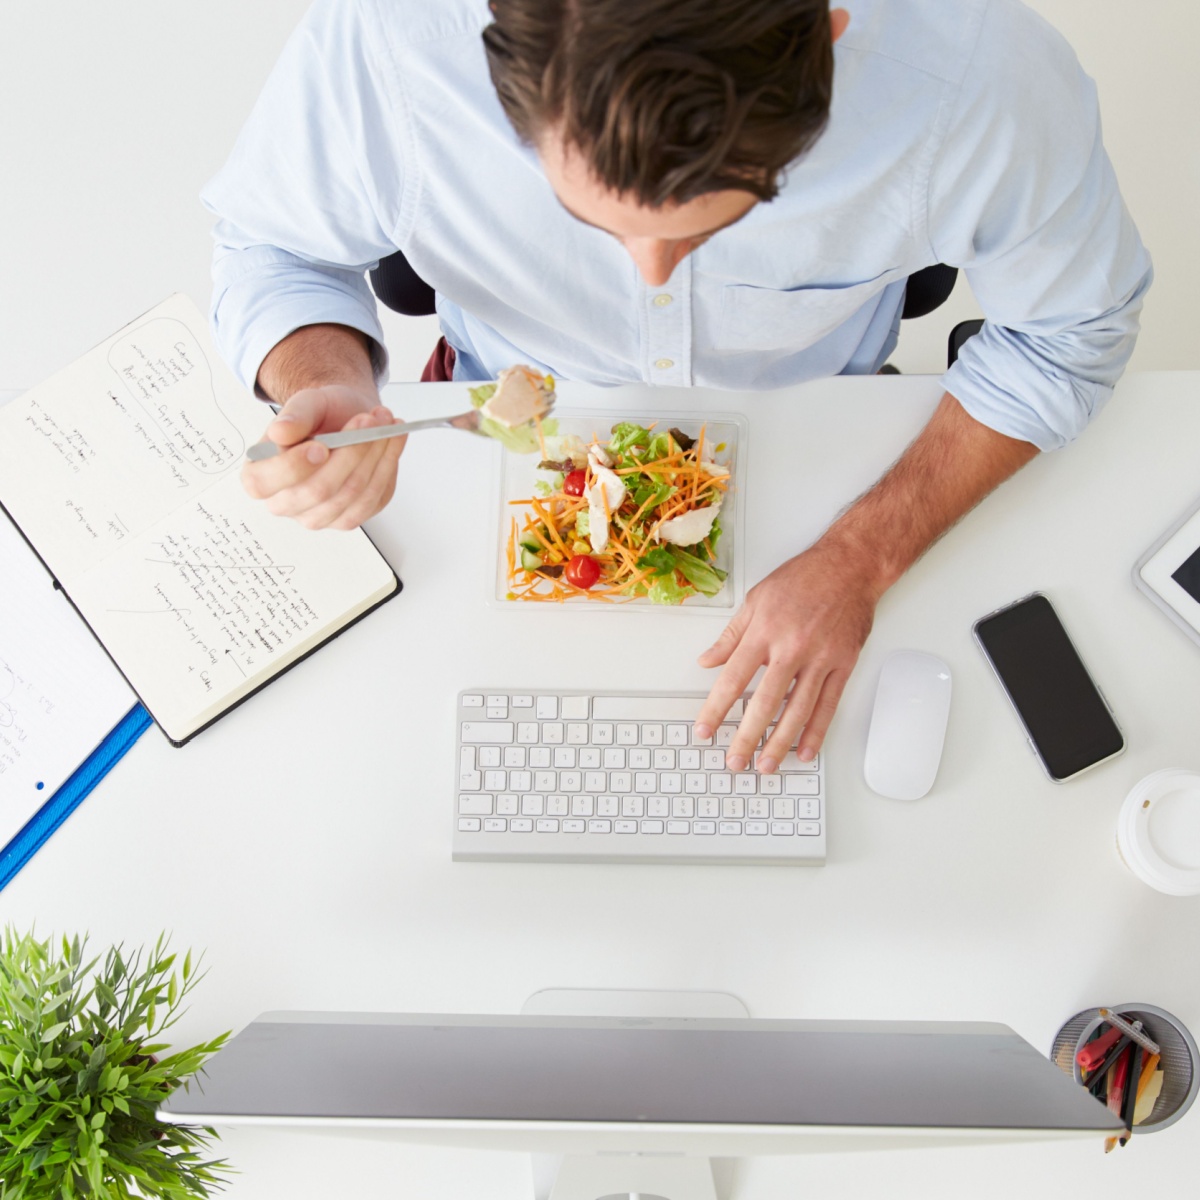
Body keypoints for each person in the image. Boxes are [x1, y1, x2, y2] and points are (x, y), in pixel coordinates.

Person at [202, 0, 1151, 775]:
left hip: (821, 446)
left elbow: (1071, 334)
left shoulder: (981, 79)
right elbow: (273, 246)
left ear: (824, 32)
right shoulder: (385, 47)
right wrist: (320, 371)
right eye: (596, 225)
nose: (652, 279)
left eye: (710, 230)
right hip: (486, 433)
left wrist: (862, 558)